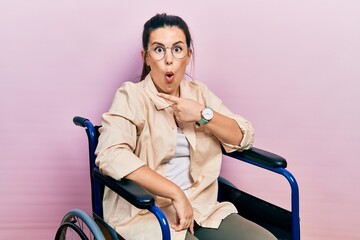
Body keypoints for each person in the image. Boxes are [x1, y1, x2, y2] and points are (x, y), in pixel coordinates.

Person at [95, 13, 276, 240]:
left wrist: (202, 113)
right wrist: (175, 193)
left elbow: (243, 136)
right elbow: (111, 154)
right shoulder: (132, 96)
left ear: (188, 55)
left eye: (177, 49)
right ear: (146, 57)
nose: (169, 59)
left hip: (202, 207)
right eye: (159, 50)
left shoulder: (199, 94)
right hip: (147, 214)